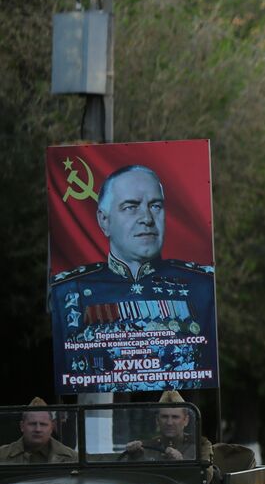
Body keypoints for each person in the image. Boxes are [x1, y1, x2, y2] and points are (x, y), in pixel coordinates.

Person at [49, 164, 217, 390]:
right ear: (104, 221)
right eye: (131, 207)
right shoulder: (69, 291)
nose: (147, 218)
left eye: (155, 206)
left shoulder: (202, 285)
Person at [124, 390, 213, 462]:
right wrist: (134, 457)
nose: (169, 422)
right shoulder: (146, 447)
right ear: (157, 420)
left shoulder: (201, 445)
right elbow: (133, 479)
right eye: (164, 417)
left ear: (186, 420)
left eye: (175, 417)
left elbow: (204, 478)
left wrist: (182, 462)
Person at [1, 398, 76, 464]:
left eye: (43, 424)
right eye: (32, 424)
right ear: (22, 426)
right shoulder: (2, 456)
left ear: (52, 427)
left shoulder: (73, 458)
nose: (38, 429)